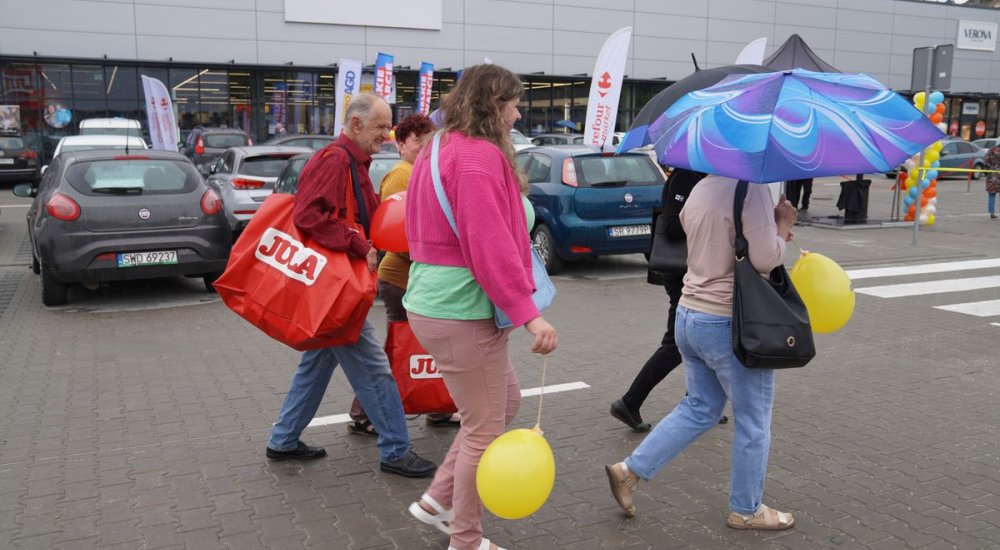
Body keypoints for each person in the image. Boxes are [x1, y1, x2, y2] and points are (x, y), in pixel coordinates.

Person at [403, 64, 558, 550]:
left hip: (433, 300)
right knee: (483, 429)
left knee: (501, 404)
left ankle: (438, 500)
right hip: (461, 311)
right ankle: (465, 539)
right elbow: (487, 246)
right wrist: (529, 313)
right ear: (492, 106)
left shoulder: (437, 147)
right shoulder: (475, 158)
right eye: (511, 104)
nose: (516, 116)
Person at [606, 175, 798, 531]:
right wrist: (781, 226)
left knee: (700, 407)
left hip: (690, 312)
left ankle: (630, 470)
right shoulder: (750, 189)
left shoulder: (701, 187)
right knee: (754, 421)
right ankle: (746, 508)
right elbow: (764, 259)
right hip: (729, 321)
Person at [265, 94, 437, 479]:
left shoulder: (355, 162)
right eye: (380, 126)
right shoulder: (334, 160)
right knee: (375, 369)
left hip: (338, 286)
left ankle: (283, 440)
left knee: (317, 363)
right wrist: (359, 244)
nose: (387, 133)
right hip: (337, 288)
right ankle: (395, 448)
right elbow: (308, 215)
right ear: (356, 124)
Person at [346, 113, 461, 436]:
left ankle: (437, 408)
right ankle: (365, 413)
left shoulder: (420, 171)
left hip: (417, 278)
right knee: (400, 351)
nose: (423, 147)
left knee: (420, 349)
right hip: (401, 278)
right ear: (400, 145)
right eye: (416, 142)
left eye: (428, 142)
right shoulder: (401, 176)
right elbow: (394, 234)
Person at [610, 169, 727, 432]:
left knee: (696, 341)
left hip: (696, 271)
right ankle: (630, 402)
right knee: (676, 343)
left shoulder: (703, 177)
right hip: (681, 272)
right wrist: (707, 219)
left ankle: (700, 401)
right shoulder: (685, 178)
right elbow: (673, 227)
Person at [984, 145, 1000, 219]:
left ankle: (992, 213)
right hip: (998, 176)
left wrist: (989, 168)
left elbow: (985, 163)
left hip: (991, 176)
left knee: (991, 195)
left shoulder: (990, 152)